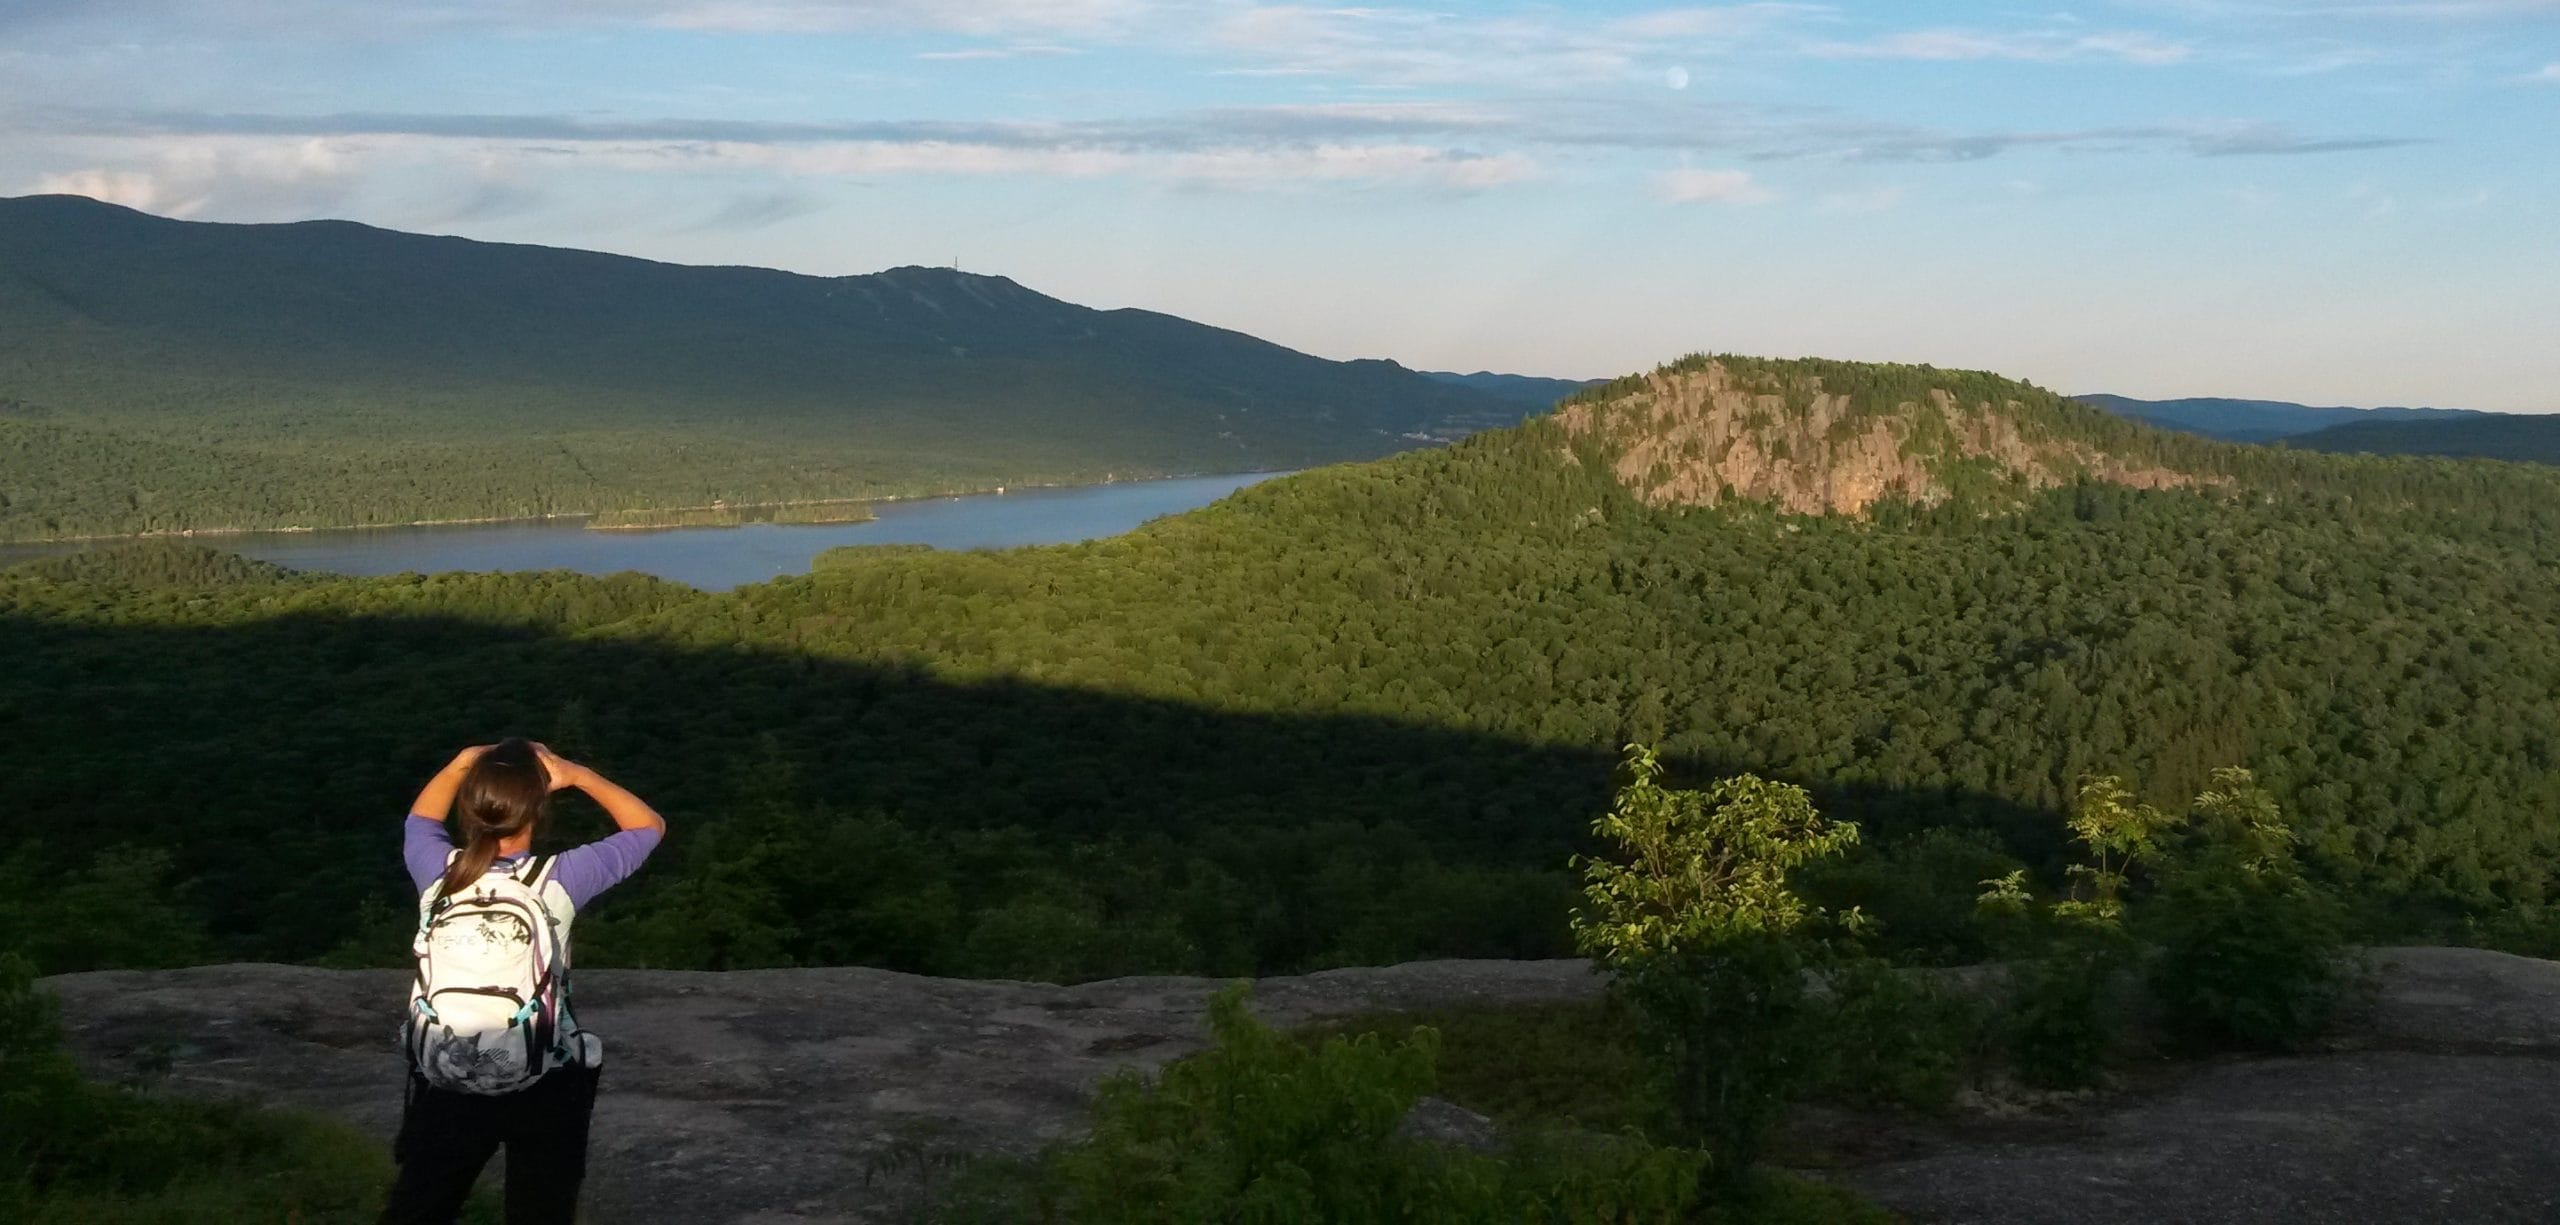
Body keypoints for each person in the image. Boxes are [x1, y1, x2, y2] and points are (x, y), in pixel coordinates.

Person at [381, 739, 665, 1225]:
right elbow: (648, 827)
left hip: (448, 1072)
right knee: (541, 1210)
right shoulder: (559, 879)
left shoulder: (438, 874)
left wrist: (462, 763)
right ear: (538, 811)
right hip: (547, 1077)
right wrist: (577, 774)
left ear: (469, 810)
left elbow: (420, 822)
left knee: (419, 1207)